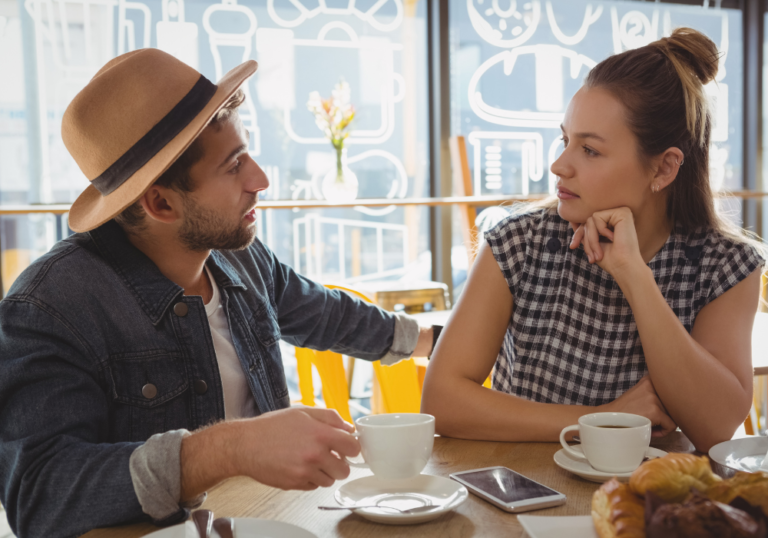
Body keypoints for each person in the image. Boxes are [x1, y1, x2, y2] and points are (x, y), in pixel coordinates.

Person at [0, 50, 435, 537]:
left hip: (277, 523)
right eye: (233, 167)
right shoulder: (50, 306)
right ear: (161, 202)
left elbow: (322, 313)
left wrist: (435, 343)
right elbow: (40, 495)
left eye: (246, 153)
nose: (261, 180)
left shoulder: (238, 255)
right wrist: (232, 448)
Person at [421, 28, 766, 454]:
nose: (559, 164)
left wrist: (634, 275)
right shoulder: (519, 242)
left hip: (652, 505)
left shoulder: (724, 265)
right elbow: (442, 401)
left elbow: (716, 427)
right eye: (566, 140)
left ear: (663, 169)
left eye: (590, 151)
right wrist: (603, 418)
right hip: (522, 496)